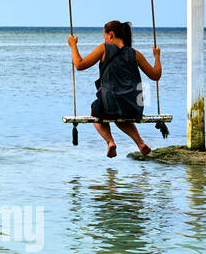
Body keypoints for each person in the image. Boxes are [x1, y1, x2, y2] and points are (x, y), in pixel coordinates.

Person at [68, 20, 162, 158]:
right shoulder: (135, 54)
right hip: (134, 106)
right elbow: (156, 75)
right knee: (121, 116)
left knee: (95, 110)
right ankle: (140, 143)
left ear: (110, 34)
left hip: (111, 105)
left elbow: (79, 65)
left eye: (104, 36)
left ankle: (110, 142)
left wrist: (73, 45)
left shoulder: (104, 49)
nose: (104, 39)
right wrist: (157, 56)